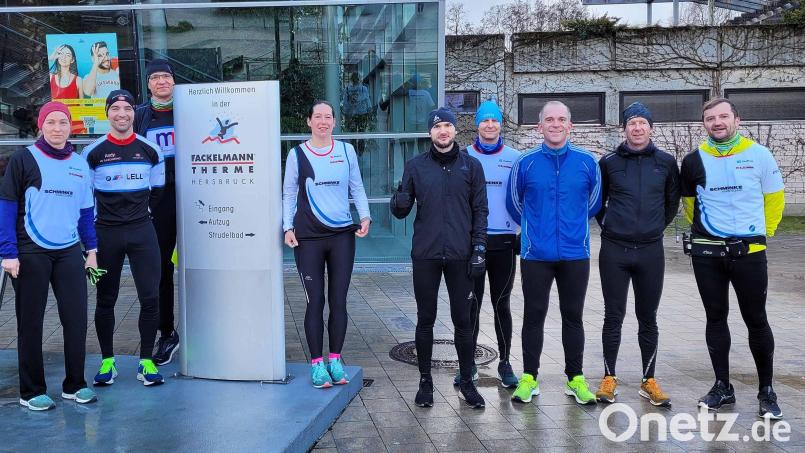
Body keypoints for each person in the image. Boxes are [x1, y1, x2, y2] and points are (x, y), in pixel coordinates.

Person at [680, 98, 785, 419]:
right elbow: (689, 205)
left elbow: (775, 198)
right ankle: (722, 386)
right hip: (707, 255)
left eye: (723, 116)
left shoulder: (759, 155)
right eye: (710, 118)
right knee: (715, 318)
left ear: (737, 120)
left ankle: (766, 389)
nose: (717, 122)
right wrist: (710, 235)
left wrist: (760, 234)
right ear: (704, 124)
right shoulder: (693, 160)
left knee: (756, 320)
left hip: (749, 255)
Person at [0, 101, 98, 410]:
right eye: (51, 122)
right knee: (31, 322)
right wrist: (8, 253)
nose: (57, 128)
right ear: (41, 126)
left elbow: (85, 214)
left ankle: (75, 384)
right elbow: (6, 207)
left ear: (71, 127)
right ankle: (31, 391)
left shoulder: (80, 164)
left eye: (63, 122)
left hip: (68, 251)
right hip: (30, 251)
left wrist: (91, 251)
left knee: (76, 319)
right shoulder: (23, 159)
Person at [390, 107, 488, 409]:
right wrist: (399, 200)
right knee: (425, 319)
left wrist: (479, 249)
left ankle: (468, 382)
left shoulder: (471, 167)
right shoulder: (415, 166)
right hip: (426, 255)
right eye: (437, 127)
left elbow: (480, 211)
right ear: (429, 133)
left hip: (461, 255)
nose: (443, 131)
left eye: (447, 125)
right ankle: (425, 382)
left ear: (455, 130)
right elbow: (400, 210)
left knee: (463, 321)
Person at [507, 101, 602, 405]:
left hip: (576, 254)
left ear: (570, 125)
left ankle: (575, 378)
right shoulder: (526, 163)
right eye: (549, 119)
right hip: (536, 254)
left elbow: (594, 203)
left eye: (562, 119)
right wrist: (537, 227)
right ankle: (529, 378)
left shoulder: (588, 162)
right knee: (534, 316)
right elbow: (514, 203)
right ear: (540, 126)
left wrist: (572, 224)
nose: (556, 124)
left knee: (572, 316)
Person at [593, 102, 680, 407]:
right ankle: (609, 378)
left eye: (643, 123)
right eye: (632, 123)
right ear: (624, 129)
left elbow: (671, 203)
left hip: (650, 252)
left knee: (648, 318)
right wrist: (611, 224)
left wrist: (653, 227)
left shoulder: (667, 163)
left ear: (651, 129)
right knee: (613, 316)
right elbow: (598, 202)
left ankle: (648, 380)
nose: (637, 128)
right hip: (614, 250)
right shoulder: (609, 162)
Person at [282, 100, 371, 389]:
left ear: (334, 121)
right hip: (308, 237)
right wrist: (287, 226)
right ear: (308, 121)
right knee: (314, 302)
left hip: (342, 236)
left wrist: (365, 215)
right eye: (317, 116)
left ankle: (335, 359)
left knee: (339, 301)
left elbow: (356, 185)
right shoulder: (297, 154)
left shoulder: (346, 151)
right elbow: (288, 193)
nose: (323, 121)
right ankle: (317, 365)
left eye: (328, 117)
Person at [84, 90, 166, 387]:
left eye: (127, 108)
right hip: (106, 233)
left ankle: (146, 361)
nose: (122, 113)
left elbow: (156, 191)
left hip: (142, 231)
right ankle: (108, 362)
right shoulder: (92, 152)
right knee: (106, 298)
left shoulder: (150, 149)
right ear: (107, 113)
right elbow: (85, 199)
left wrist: (138, 215)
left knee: (151, 297)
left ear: (134, 112)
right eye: (115, 108)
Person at [463, 100, 520, 389]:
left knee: (501, 304)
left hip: (505, 242)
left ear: (500, 124)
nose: (489, 125)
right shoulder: (463, 157)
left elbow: (526, 198)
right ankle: (469, 362)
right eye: (484, 120)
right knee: (470, 304)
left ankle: (505, 362)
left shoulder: (515, 158)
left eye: (494, 120)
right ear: (477, 124)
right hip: (472, 244)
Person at [134, 59, 179, 366]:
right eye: (156, 77)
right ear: (148, 83)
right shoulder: (138, 116)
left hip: (195, 194)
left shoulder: (191, 110)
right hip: (158, 200)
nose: (162, 81)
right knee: (161, 266)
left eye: (167, 76)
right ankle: (167, 332)